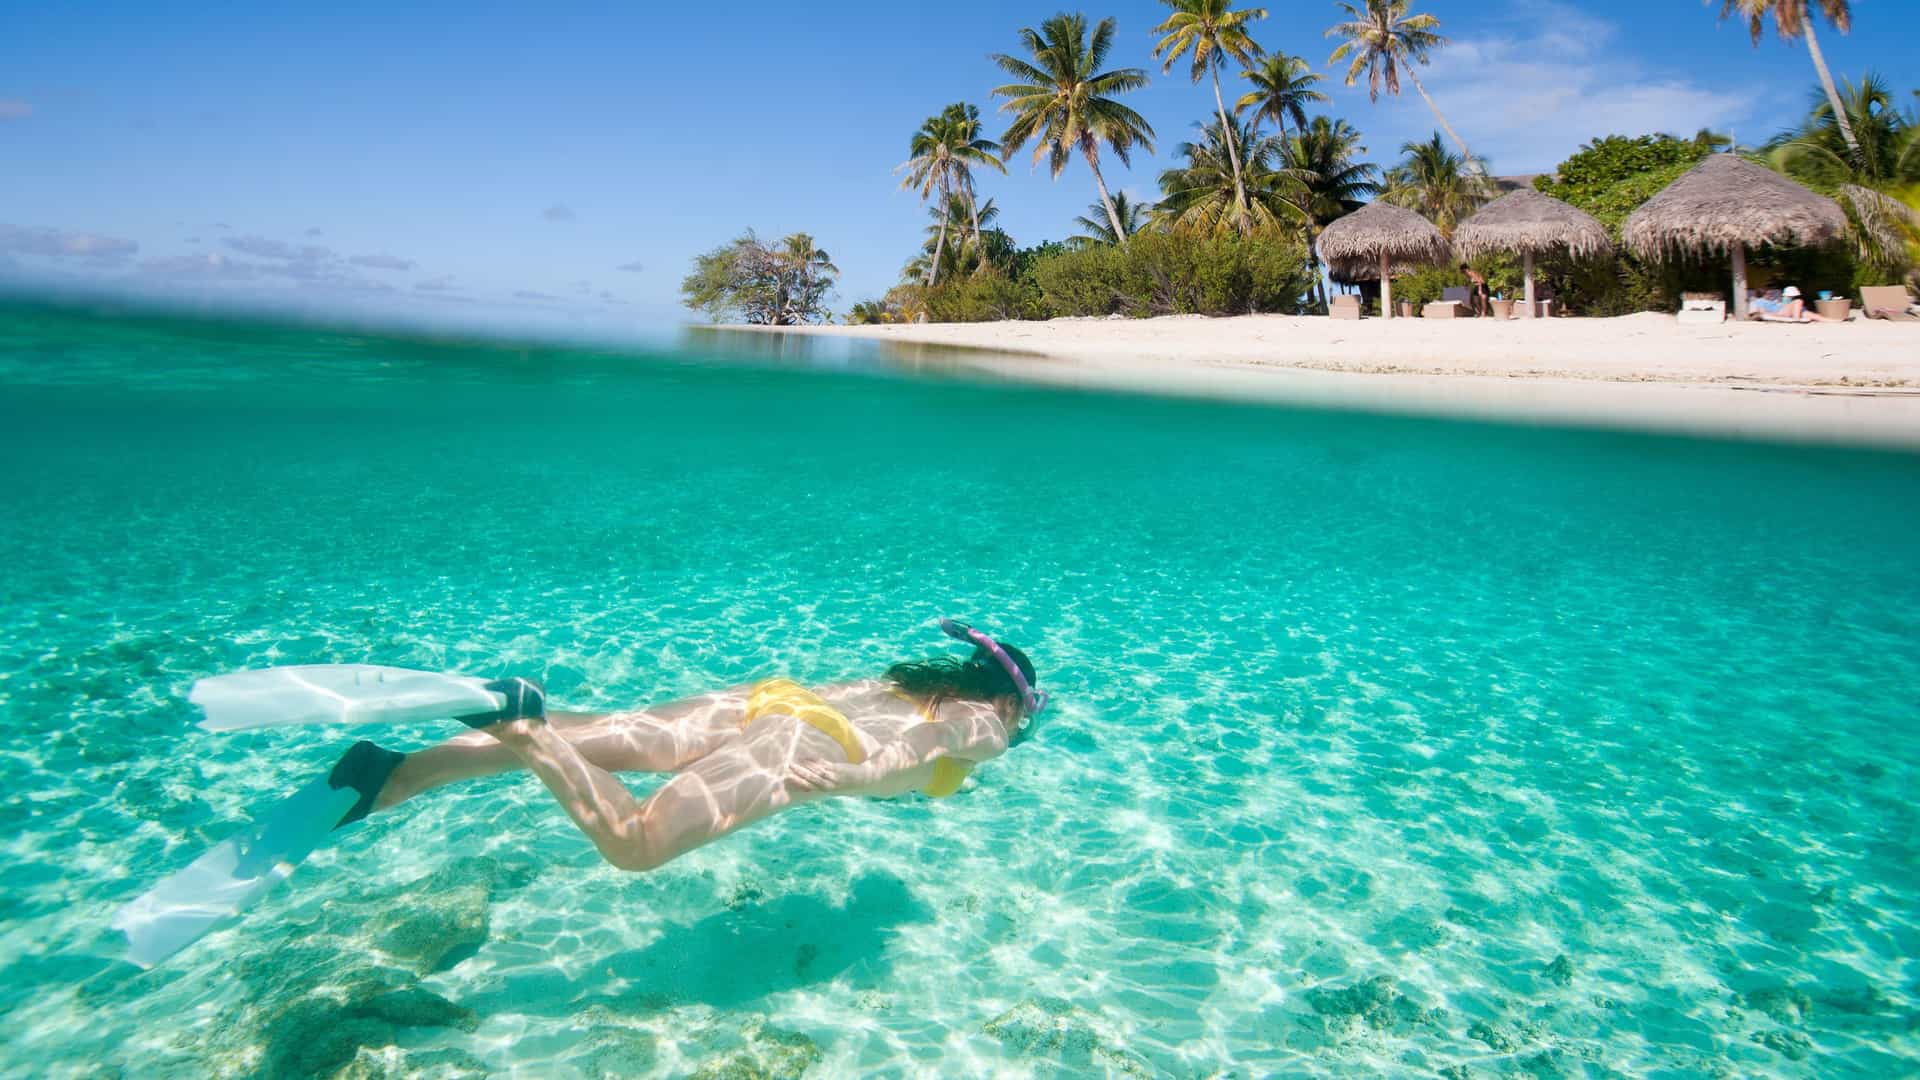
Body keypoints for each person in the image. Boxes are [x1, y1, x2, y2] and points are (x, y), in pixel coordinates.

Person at [330, 619, 1048, 873]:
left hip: (773, 699)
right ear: (1012, 698)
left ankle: (393, 777)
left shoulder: (902, 680)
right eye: (1024, 715)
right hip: (807, 737)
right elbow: (928, 744)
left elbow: (910, 719)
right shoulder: (988, 721)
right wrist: (839, 780)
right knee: (637, 844)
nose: (1016, 728)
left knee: (593, 737)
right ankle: (521, 726)